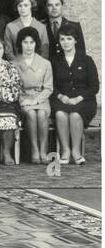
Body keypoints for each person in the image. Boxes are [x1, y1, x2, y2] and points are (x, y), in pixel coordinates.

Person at [51, 31, 98, 166]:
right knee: (60, 114)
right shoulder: (55, 61)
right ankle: (65, 151)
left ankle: (76, 151)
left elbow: (94, 86)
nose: (66, 42)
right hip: (62, 99)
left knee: (75, 115)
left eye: (69, 38)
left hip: (84, 100)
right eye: (62, 39)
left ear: (76, 40)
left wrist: (78, 98)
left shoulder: (87, 60)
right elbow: (51, 85)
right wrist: (60, 96)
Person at [14, 28, 54, 165]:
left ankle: (43, 150)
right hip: (23, 98)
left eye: (32, 42)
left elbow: (48, 88)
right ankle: (34, 149)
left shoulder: (45, 63)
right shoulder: (14, 63)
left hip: (41, 98)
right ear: (20, 44)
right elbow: (14, 88)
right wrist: (24, 100)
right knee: (31, 113)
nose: (29, 46)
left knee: (42, 114)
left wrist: (36, 100)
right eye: (25, 42)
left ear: (36, 43)